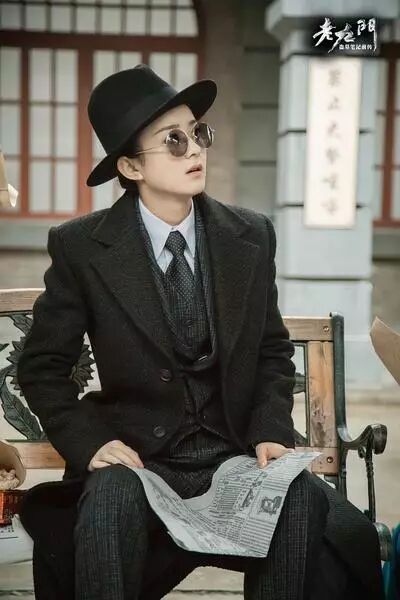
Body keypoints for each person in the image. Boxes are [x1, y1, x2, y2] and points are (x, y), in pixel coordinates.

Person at [16, 64, 384, 600]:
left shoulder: (249, 235)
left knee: (301, 498)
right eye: (174, 140)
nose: (194, 150)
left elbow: (272, 350)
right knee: (108, 499)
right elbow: (42, 366)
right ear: (130, 166)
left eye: (198, 133)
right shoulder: (82, 246)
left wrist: (271, 429)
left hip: (233, 452)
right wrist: (91, 443)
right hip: (140, 459)